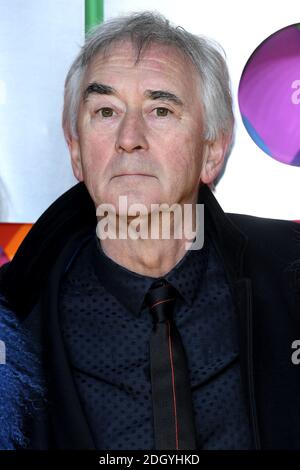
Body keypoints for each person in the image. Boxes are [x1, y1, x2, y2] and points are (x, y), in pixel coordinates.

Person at [0, 10, 300, 450]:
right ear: (76, 149)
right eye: (105, 110)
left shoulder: (292, 276)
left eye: (161, 109)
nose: (129, 137)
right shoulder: (15, 319)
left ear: (213, 149)